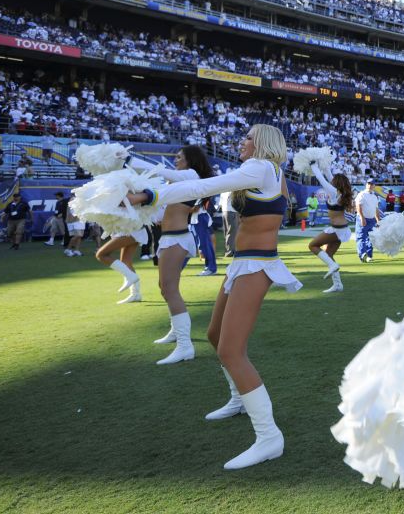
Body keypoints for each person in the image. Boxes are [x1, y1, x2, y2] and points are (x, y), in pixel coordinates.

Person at [127, 124, 302, 470]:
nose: (242, 140)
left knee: (230, 350)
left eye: (249, 137)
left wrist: (149, 196)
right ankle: (239, 398)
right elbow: (204, 183)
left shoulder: (261, 168)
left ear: (263, 143)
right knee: (213, 335)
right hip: (242, 263)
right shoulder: (266, 171)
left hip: (257, 265)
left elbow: (203, 185)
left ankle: (269, 437)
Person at [129, 147, 214, 364]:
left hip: (177, 238)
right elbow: (160, 211)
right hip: (168, 238)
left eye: (179, 157)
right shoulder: (178, 182)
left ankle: (185, 346)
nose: (175, 160)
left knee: (170, 289)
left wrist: (131, 159)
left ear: (190, 160)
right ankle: (177, 331)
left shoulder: (190, 175)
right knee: (164, 287)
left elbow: (168, 174)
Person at [307, 162, 353, 293]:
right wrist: (326, 167)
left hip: (337, 229)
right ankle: (338, 285)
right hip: (341, 228)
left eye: (333, 181)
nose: (331, 182)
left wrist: (314, 166)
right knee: (329, 253)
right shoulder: (339, 193)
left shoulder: (334, 192)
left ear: (336, 183)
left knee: (313, 245)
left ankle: (332, 265)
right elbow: (328, 176)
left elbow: (322, 180)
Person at [354, 180, 380, 263]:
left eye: (372, 184)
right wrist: (362, 217)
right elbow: (358, 206)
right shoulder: (361, 194)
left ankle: (369, 255)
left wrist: (378, 220)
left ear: (374, 186)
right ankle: (362, 255)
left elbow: (376, 209)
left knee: (371, 238)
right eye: (369, 183)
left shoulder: (374, 196)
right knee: (361, 237)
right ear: (366, 185)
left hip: (372, 219)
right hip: (363, 218)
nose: (370, 185)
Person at [193, 195, 218, 276]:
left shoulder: (200, 192)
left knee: (205, 245)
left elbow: (195, 209)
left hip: (200, 217)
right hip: (197, 218)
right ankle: (210, 267)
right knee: (202, 245)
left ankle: (210, 268)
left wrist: (180, 211)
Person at [219, 190, 238, 258]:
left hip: (225, 211)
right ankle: (230, 252)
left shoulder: (224, 190)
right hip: (231, 211)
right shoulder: (232, 190)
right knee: (232, 232)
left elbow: (220, 204)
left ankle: (230, 250)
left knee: (228, 232)